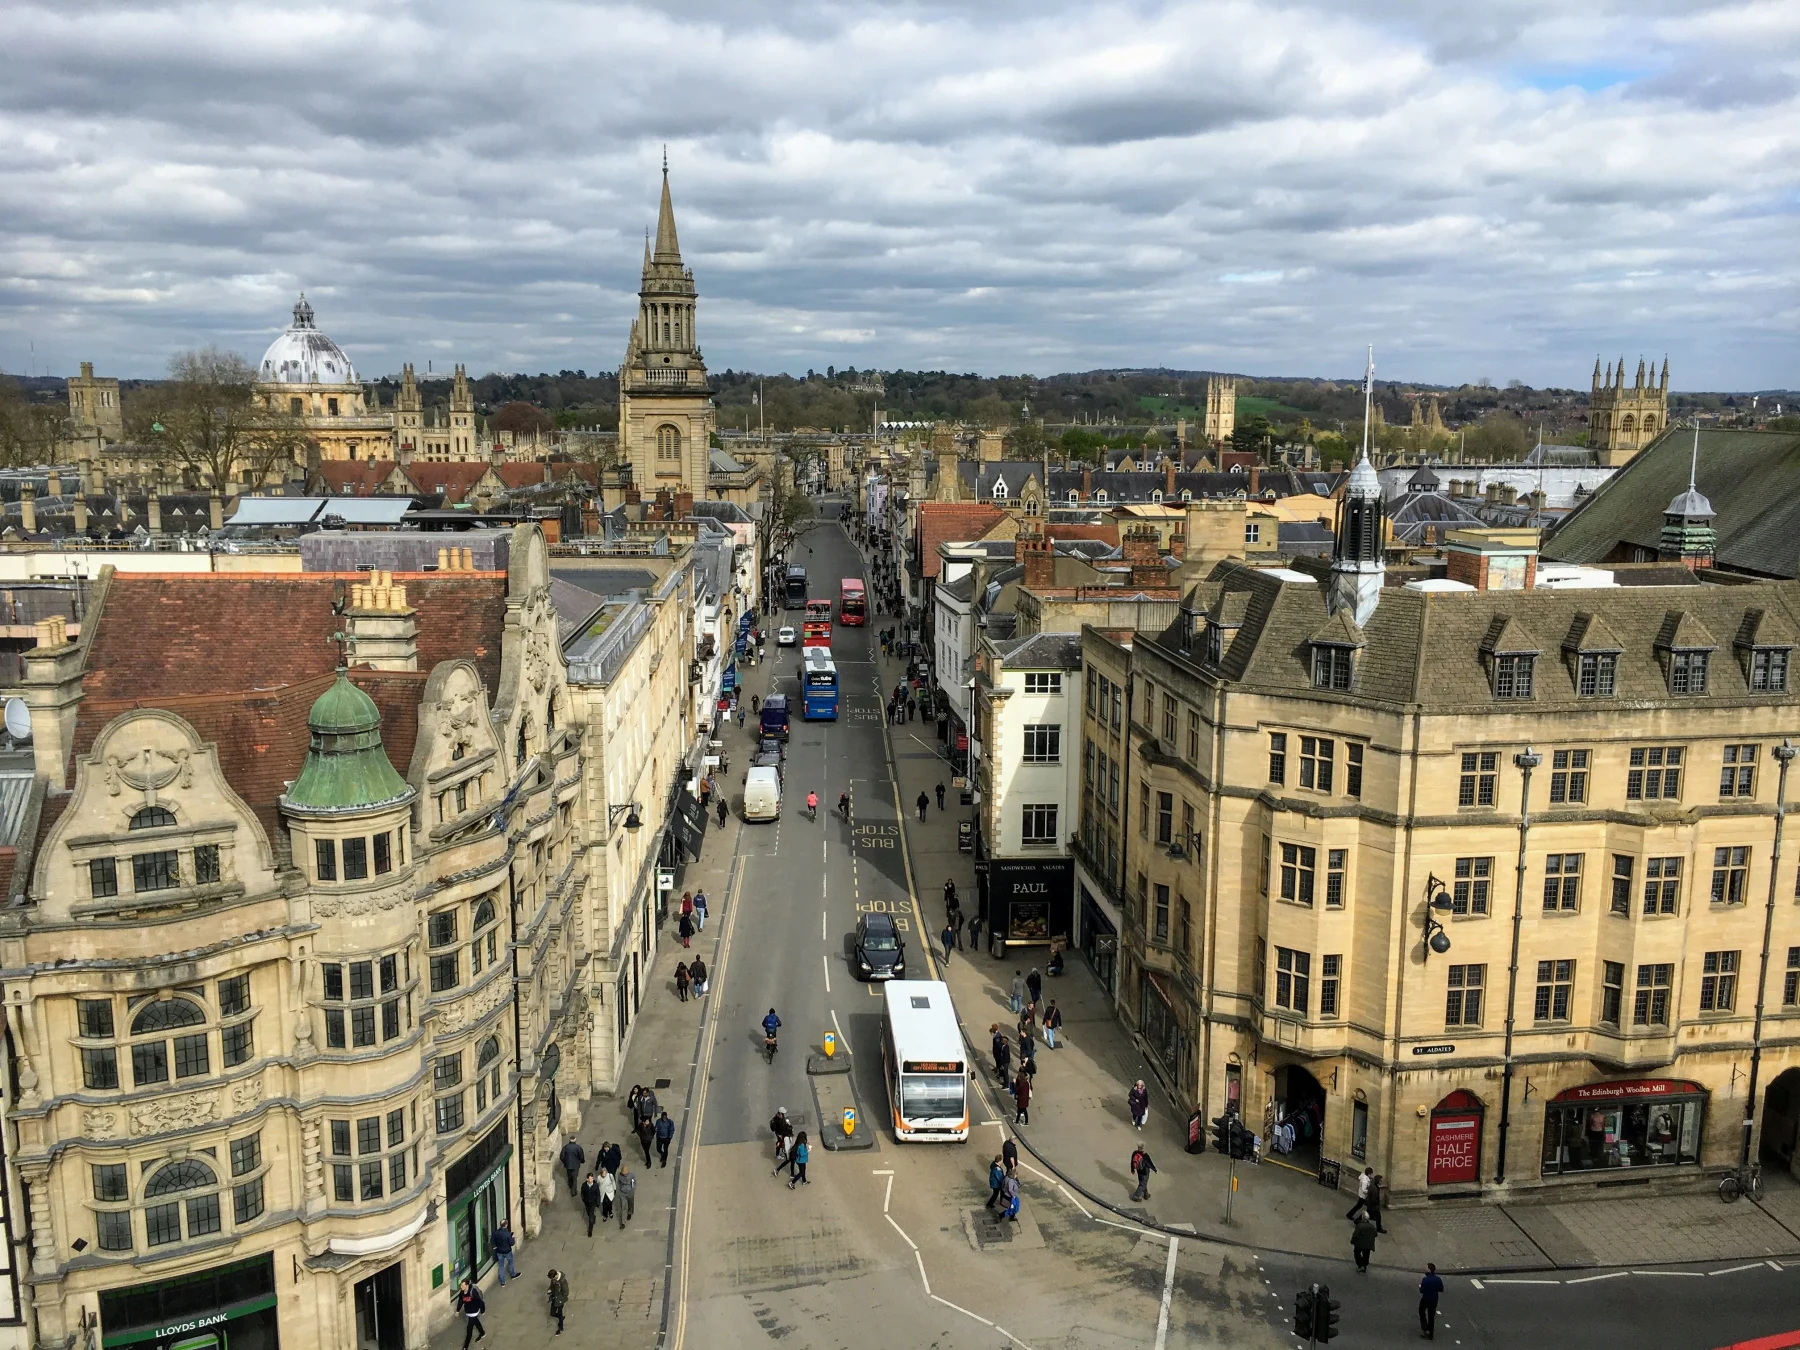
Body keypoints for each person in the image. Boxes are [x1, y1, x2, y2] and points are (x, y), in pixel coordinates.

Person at [455, 1278, 487, 1347]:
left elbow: (480, 1301)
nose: (461, 1287)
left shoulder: (473, 1292)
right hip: (468, 1311)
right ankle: (482, 1333)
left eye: (463, 1286)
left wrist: (482, 1310)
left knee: (469, 1329)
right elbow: (460, 1302)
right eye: (461, 1285)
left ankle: (465, 1346)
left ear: (467, 1285)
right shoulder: (462, 1292)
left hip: (474, 1311)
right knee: (476, 1321)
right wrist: (458, 1310)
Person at [1419, 1263, 1444, 1338]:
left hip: (1425, 1299)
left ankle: (1425, 1328)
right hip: (1434, 1300)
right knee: (1431, 1316)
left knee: (1421, 1311)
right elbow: (1441, 1289)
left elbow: (1421, 1291)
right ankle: (1431, 1334)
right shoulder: (1438, 1279)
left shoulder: (1425, 1280)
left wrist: (1420, 1287)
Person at [548, 1269, 569, 1335]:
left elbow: (566, 1293)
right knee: (552, 1313)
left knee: (559, 1313)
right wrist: (550, 1290)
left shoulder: (562, 1282)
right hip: (555, 1298)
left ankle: (561, 1328)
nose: (552, 1279)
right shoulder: (553, 1279)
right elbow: (551, 1286)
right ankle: (561, 1317)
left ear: (556, 1275)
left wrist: (560, 1299)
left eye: (553, 1278)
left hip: (560, 1300)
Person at [580, 1171, 602, 1236]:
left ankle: (590, 1230)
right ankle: (593, 1217)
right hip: (586, 1202)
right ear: (587, 1179)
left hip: (593, 1202)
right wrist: (583, 1199)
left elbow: (598, 1194)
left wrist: (597, 1203)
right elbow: (582, 1193)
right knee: (588, 1213)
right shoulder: (584, 1185)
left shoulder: (595, 1185)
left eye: (592, 1178)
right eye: (590, 1178)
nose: (591, 1180)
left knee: (591, 1218)